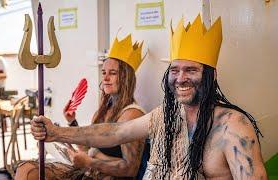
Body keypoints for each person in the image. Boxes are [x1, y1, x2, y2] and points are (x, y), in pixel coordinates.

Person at [30, 14, 267, 179]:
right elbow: (116, 132)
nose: (181, 78)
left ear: (211, 75)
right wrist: (57, 132)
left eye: (191, 70)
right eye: (174, 70)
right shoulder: (165, 116)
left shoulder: (233, 126)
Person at [15, 34, 147, 180]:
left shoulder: (132, 114)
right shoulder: (102, 112)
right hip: (89, 173)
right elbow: (87, 149)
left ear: (126, 77)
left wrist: (90, 162)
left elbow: (130, 169)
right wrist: (72, 122)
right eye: (103, 72)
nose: (105, 78)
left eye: (113, 73)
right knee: (27, 169)